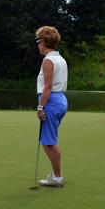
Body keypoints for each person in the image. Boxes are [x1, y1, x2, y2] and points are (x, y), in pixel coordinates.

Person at [35, 26, 68, 187]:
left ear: (44, 42)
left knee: (48, 141)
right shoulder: (60, 59)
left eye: (38, 41)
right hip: (60, 100)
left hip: (51, 101)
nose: (37, 45)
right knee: (49, 139)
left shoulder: (48, 60)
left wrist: (40, 107)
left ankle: (57, 176)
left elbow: (47, 87)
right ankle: (56, 175)